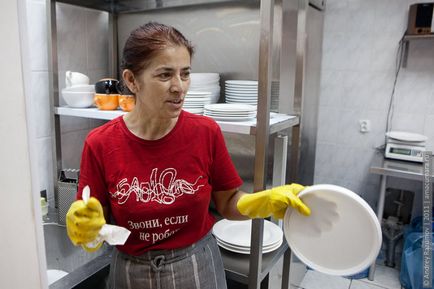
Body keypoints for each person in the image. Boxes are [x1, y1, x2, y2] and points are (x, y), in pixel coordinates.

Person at [66, 22, 310, 289]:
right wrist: (86, 231)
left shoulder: (205, 132)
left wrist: (263, 202)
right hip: (130, 271)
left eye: (185, 74)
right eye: (165, 75)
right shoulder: (101, 144)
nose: (179, 87)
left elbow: (228, 202)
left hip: (196, 266)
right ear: (131, 80)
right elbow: (94, 223)